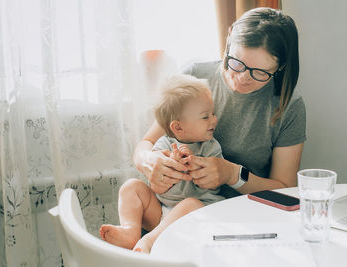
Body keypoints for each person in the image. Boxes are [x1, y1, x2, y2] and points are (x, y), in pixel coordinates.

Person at [133, 7, 306, 202]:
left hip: (242, 213)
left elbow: (285, 191)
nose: (242, 78)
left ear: (280, 67)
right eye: (237, 63)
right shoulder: (194, 76)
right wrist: (149, 161)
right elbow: (145, 144)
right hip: (172, 205)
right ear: (230, 36)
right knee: (132, 189)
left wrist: (232, 174)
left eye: (260, 73)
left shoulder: (288, 105)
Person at [100, 74, 224, 253]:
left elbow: (211, 183)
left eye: (213, 114)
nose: (214, 120)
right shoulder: (163, 146)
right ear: (178, 127)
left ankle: (150, 240)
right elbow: (156, 188)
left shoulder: (211, 147)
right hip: (162, 212)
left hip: (197, 212)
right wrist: (166, 174)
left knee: (191, 203)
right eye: (206, 117)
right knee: (130, 186)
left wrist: (191, 164)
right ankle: (130, 231)